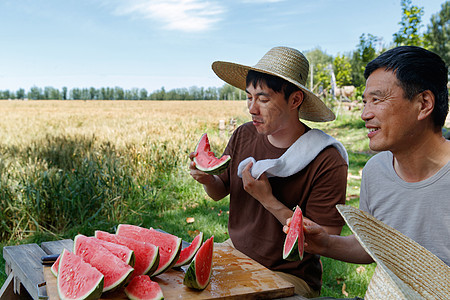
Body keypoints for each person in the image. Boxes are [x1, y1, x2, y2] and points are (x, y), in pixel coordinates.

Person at [189, 46, 349, 297]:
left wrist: (267, 200)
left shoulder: (327, 158)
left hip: (288, 273)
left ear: (295, 100)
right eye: (249, 97)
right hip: (236, 251)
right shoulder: (244, 134)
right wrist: (207, 178)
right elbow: (219, 191)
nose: (252, 108)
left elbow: (325, 240)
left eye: (263, 99)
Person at [284, 46, 450, 271]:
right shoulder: (376, 170)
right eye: (365, 102)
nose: (365, 114)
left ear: (423, 104)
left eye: (377, 100)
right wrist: (325, 243)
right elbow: (371, 246)